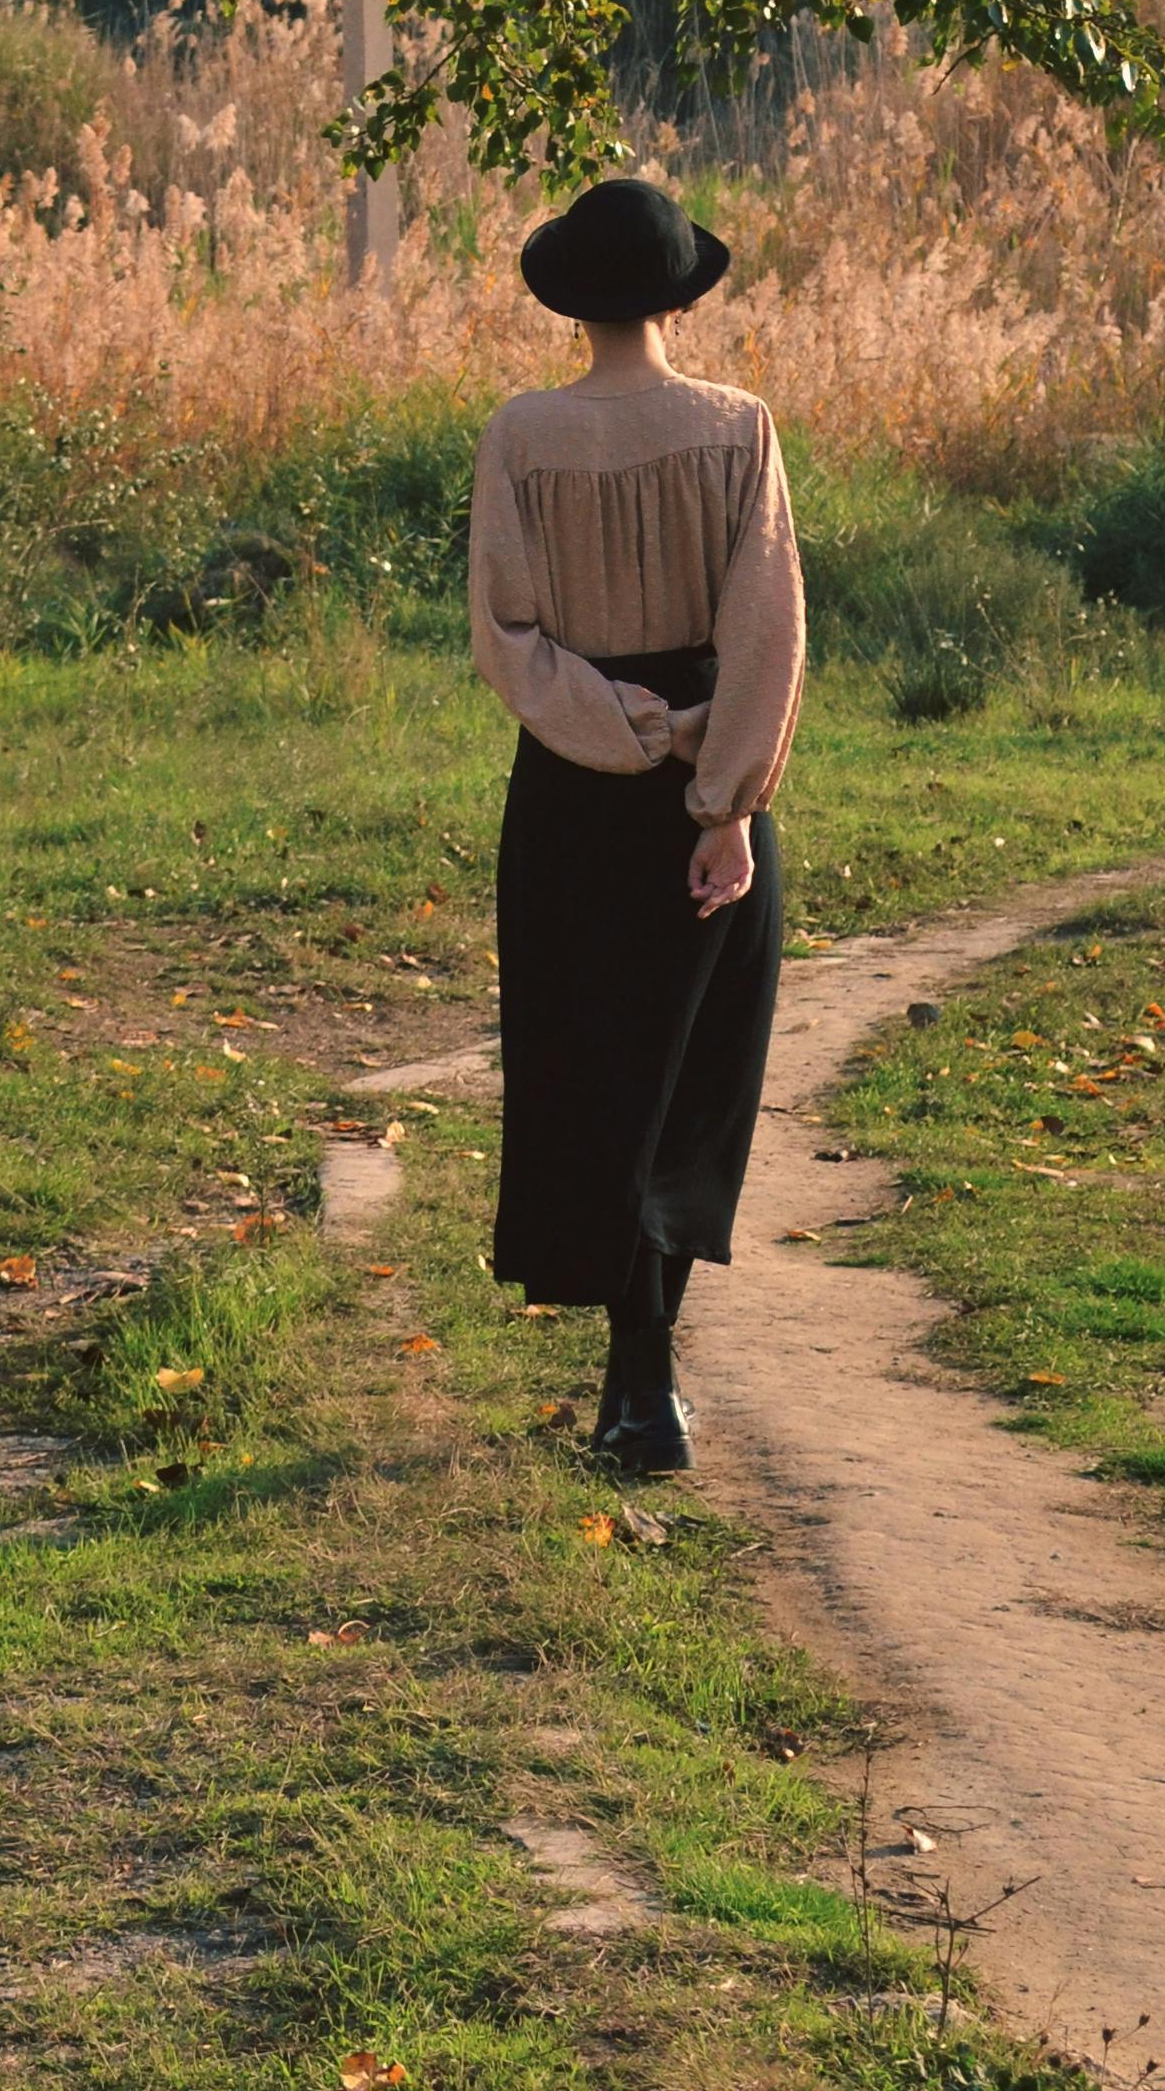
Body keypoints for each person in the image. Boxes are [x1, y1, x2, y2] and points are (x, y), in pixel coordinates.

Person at [468, 175, 805, 1473]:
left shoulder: (521, 434)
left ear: (572, 301)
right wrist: (716, 795)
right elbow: (768, 633)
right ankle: (641, 1381)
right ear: (680, 292)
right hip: (709, 794)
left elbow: (505, 634)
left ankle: (633, 1378)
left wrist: (612, 732)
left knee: (587, 1070)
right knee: (690, 1081)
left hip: (565, 794)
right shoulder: (738, 427)